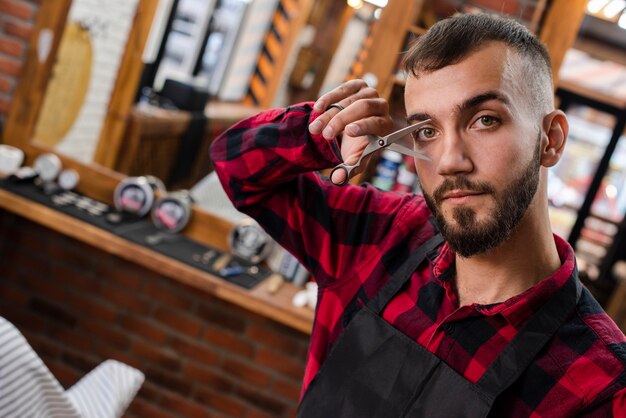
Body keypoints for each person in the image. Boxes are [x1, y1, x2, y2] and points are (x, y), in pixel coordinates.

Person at [210, 13, 626, 417]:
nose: (449, 161)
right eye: (426, 130)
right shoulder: (383, 236)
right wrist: (321, 132)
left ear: (550, 140)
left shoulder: (599, 387)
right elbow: (236, 166)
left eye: (484, 120)